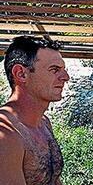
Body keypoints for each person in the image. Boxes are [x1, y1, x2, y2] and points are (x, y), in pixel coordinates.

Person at [0, 35, 70, 185]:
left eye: (64, 70)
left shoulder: (44, 123)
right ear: (21, 74)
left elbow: (53, 180)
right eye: (54, 70)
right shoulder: (6, 134)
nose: (66, 77)